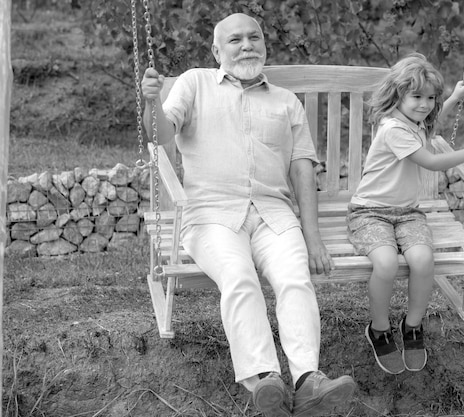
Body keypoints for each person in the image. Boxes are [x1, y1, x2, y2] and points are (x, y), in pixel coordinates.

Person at [141, 12, 356, 417]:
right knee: (239, 278)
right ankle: (263, 381)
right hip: (211, 215)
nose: (246, 45)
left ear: (264, 45)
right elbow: (160, 135)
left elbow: (302, 168)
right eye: (235, 39)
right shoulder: (195, 83)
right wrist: (151, 101)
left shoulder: (285, 101)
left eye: (253, 37)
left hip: (274, 214)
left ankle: (308, 380)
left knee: (295, 278)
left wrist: (313, 238)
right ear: (217, 50)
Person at [346, 53, 464, 374]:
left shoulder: (414, 122)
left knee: (423, 260)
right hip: (370, 213)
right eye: (416, 96)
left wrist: (453, 97)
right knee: (385, 263)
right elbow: (431, 161)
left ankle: (412, 326)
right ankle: (379, 328)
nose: (425, 104)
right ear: (397, 95)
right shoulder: (393, 130)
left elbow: (433, 120)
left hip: (408, 213)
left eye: (430, 98)